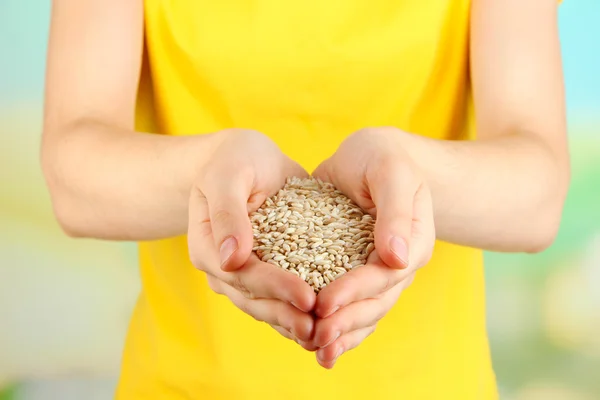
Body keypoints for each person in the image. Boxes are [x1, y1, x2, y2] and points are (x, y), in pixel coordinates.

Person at [41, 0, 569, 398]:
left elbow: (537, 195)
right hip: (186, 381)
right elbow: (74, 179)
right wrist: (208, 171)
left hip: (429, 383)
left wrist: (406, 174)